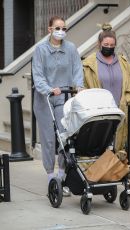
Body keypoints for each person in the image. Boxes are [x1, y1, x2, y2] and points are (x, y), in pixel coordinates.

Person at [32, 16, 84, 195]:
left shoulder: (70, 49)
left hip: (64, 98)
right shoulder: (40, 50)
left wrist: (78, 85)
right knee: (48, 139)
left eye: (63, 28)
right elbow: (37, 75)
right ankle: (50, 177)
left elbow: (77, 69)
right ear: (49, 29)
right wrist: (47, 89)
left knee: (64, 136)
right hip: (45, 98)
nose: (61, 31)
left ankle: (62, 175)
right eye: (57, 28)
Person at [83, 23, 130, 152]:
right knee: (100, 142)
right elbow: (83, 85)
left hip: (119, 109)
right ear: (99, 44)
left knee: (118, 143)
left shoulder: (123, 62)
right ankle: (100, 168)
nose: (109, 48)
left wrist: (129, 98)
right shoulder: (89, 63)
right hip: (99, 110)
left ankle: (114, 169)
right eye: (106, 45)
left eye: (112, 45)